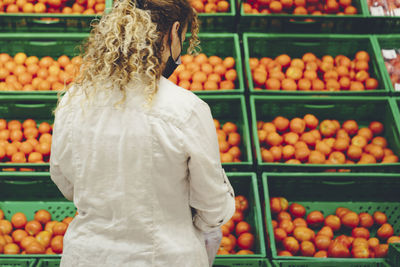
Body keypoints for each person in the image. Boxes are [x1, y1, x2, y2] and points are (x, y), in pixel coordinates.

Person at [50, 0, 235, 266]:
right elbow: (212, 204)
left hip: (89, 256)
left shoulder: (75, 100)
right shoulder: (186, 109)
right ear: (173, 33)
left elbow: (64, 180)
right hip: (165, 256)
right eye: (182, 38)